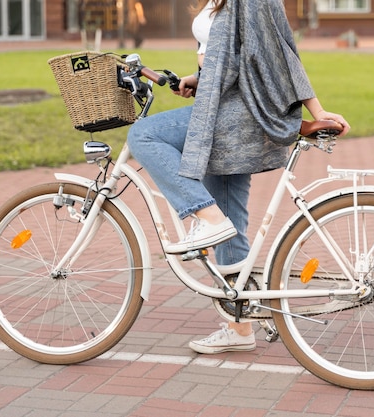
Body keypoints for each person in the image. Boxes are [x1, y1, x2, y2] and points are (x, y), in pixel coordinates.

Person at [127, 0, 350, 354]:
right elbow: (237, 58)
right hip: (222, 107)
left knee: (144, 136)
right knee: (230, 223)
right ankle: (240, 327)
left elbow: (281, 55)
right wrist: (198, 79)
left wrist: (317, 111)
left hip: (236, 117)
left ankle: (205, 216)